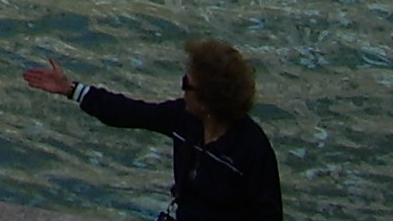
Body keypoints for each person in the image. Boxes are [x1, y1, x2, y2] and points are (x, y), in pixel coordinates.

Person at [23, 39, 282, 221]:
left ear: (208, 98)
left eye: (187, 84)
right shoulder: (185, 119)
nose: (182, 90)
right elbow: (131, 112)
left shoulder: (251, 149)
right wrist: (71, 89)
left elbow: (268, 215)